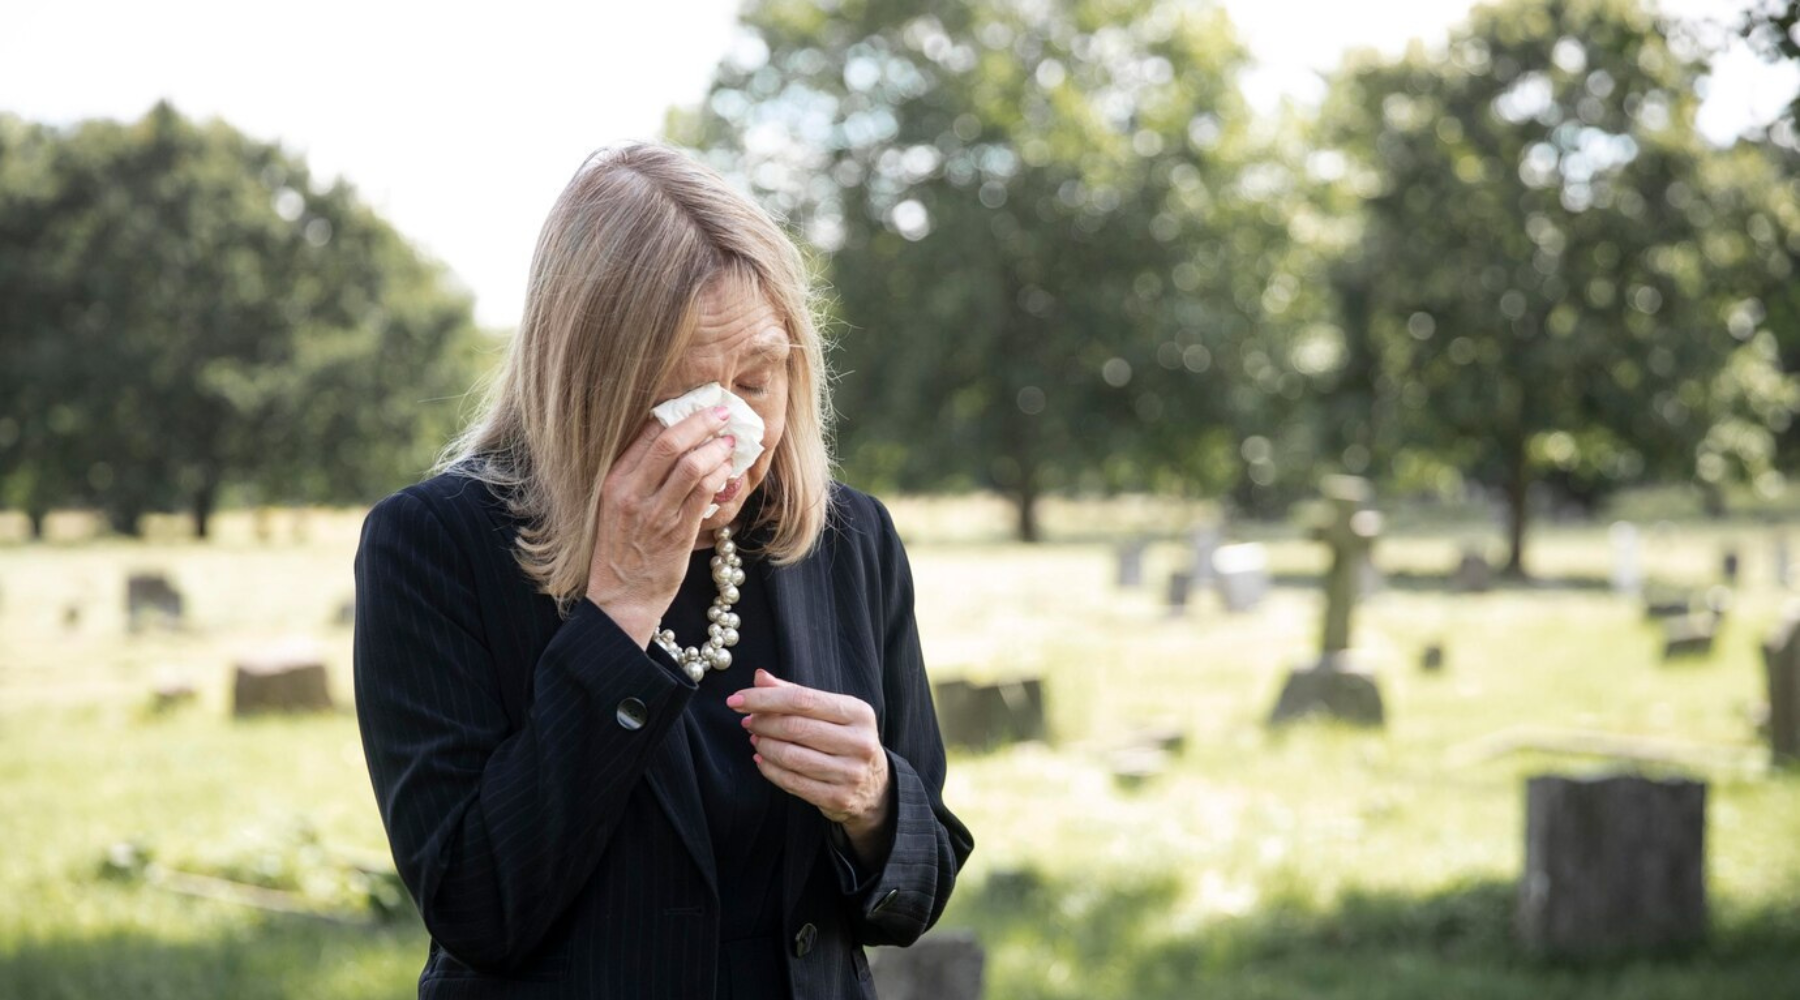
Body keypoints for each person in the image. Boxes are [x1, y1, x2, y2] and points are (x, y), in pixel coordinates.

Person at [351, 142, 973, 999]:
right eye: (682, 396)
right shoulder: (435, 545)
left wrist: (873, 800)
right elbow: (474, 907)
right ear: (585, 384)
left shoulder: (845, 538)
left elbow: (917, 886)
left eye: (756, 382)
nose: (728, 435)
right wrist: (621, 611)